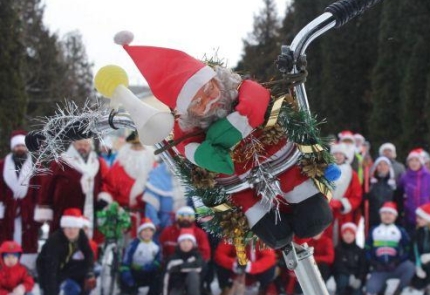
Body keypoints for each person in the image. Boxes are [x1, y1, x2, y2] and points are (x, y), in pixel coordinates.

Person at [114, 33, 333, 249]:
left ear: (216, 78)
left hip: (274, 151)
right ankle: (262, 217)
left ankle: (306, 200)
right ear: (187, 111)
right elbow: (188, 148)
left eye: (209, 88)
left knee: (309, 208)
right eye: (198, 102)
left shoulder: (237, 90)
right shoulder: (188, 127)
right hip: (238, 177)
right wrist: (201, 154)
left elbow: (256, 98)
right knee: (249, 204)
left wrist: (233, 126)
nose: (210, 101)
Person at [35, 139, 108, 237]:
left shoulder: (96, 164)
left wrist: (102, 198)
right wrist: (45, 206)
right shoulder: (60, 162)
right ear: (73, 145)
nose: (82, 147)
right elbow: (47, 186)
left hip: (89, 211)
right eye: (79, 144)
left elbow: (102, 184)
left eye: (86, 145)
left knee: (86, 244)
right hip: (63, 212)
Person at [98, 132, 157, 236]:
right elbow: (108, 188)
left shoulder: (155, 169)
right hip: (122, 218)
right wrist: (109, 203)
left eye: (140, 146)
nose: (137, 150)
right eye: (134, 146)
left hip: (147, 221)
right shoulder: (118, 167)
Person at [0, 130, 42, 271]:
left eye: (23, 146)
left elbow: (40, 191)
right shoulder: (2, 166)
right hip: (7, 212)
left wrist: (38, 212)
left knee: (28, 241)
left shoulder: (36, 166)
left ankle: (26, 271)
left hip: (28, 213)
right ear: (13, 147)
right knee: (6, 238)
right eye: (17, 146)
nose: (20, 149)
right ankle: (6, 270)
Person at [37, 208, 96, 295]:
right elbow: (50, 270)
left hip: (67, 266)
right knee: (51, 285)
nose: (71, 231)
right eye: (68, 228)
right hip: (48, 268)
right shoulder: (55, 241)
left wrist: (90, 272)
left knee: (89, 273)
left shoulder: (81, 235)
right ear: (64, 228)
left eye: (75, 228)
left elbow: (88, 254)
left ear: (79, 228)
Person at [365, 202, 414, 295]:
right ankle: (382, 287)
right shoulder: (374, 230)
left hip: (395, 267)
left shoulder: (400, 231)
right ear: (380, 215)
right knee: (370, 289)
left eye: (390, 213)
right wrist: (373, 262)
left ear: (395, 216)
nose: (387, 216)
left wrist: (397, 261)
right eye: (384, 213)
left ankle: (399, 289)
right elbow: (367, 248)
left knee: (410, 266)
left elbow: (408, 249)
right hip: (379, 269)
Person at [398, 149, 430, 232]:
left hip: (427, 216)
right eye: (411, 160)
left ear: (421, 162)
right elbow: (399, 194)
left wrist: (428, 207)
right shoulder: (404, 177)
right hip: (410, 216)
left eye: (416, 160)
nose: (414, 163)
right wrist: (404, 206)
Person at [327, 143, 362, 243]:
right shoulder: (324, 171)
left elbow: (357, 196)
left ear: (345, 156)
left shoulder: (352, 174)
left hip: (344, 215)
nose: (338, 156)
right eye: (335, 154)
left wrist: (341, 204)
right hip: (326, 211)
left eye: (340, 154)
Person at [120, 218, 162, 295]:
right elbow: (125, 262)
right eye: (145, 230)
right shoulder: (133, 245)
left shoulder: (156, 245)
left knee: (158, 277)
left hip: (149, 272)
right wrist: (128, 278)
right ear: (140, 232)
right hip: (135, 272)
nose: (147, 233)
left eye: (150, 230)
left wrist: (152, 266)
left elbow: (158, 259)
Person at [143, 162, 188, 232]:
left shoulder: (188, 172)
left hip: (188, 222)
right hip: (166, 224)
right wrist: (154, 222)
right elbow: (151, 205)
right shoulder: (158, 174)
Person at [164, 228, 205, 295]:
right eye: (183, 241)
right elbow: (165, 277)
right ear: (179, 243)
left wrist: (180, 267)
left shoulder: (197, 256)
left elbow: (200, 267)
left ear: (193, 244)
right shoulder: (172, 258)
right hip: (176, 287)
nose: (186, 244)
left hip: (193, 289)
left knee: (193, 274)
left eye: (189, 241)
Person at [333, 223, 366, 295]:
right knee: (342, 281)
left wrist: (359, 278)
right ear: (342, 235)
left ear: (354, 235)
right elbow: (338, 266)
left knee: (357, 289)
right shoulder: (338, 249)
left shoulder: (359, 250)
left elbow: (362, 266)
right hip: (343, 276)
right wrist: (349, 276)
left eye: (351, 234)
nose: (348, 236)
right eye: (346, 233)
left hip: (356, 276)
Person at [367, 156, 396, 228]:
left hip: (389, 219)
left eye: (385, 164)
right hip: (373, 219)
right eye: (379, 164)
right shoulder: (369, 183)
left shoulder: (394, 185)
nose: (382, 167)